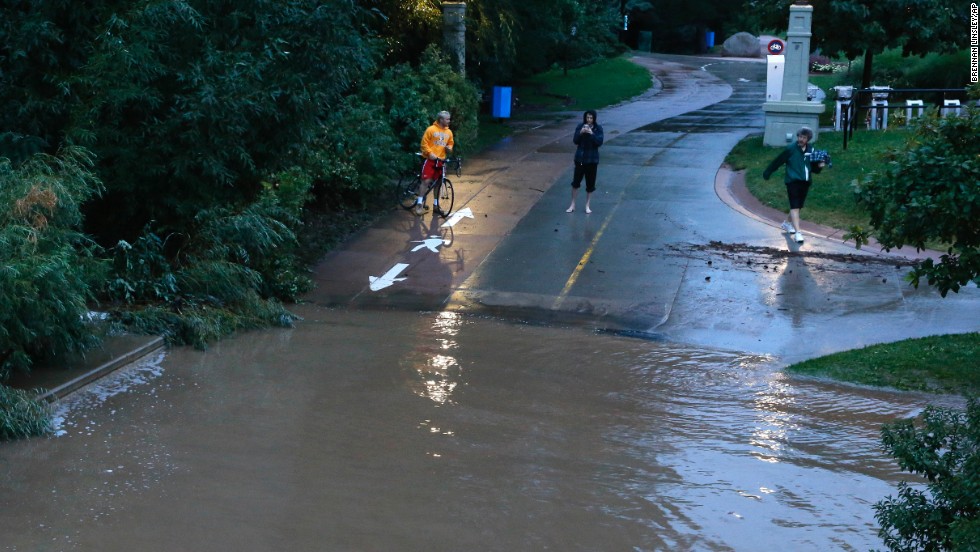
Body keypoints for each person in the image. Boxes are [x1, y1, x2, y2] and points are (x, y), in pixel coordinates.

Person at [762, 126, 825, 244]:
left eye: (804, 137)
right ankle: (798, 233)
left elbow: (813, 168)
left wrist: (820, 166)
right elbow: (778, 161)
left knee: (798, 206)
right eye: (800, 136)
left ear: (808, 139)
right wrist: (768, 172)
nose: (801, 139)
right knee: (795, 206)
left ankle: (786, 223)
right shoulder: (791, 149)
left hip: (805, 182)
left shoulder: (811, 150)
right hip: (792, 181)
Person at [414, 111, 455, 217]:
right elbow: (424, 143)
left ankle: (436, 206)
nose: (449, 121)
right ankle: (419, 205)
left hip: (441, 160)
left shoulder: (449, 132)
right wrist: (429, 153)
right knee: (426, 181)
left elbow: (450, 143)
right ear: (441, 119)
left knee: (438, 183)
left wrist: (449, 148)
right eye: (447, 119)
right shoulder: (431, 129)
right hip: (430, 160)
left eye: (449, 119)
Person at [566, 110, 604, 214]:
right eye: (587, 118)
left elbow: (599, 142)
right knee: (575, 183)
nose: (589, 120)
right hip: (581, 159)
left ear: (594, 119)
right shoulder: (580, 126)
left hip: (592, 160)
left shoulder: (598, 128)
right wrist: (581, 133)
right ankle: (572, 204)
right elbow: (575, 141)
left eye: (591, 118)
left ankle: (587, 205)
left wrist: (591, 133)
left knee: (590, 184)